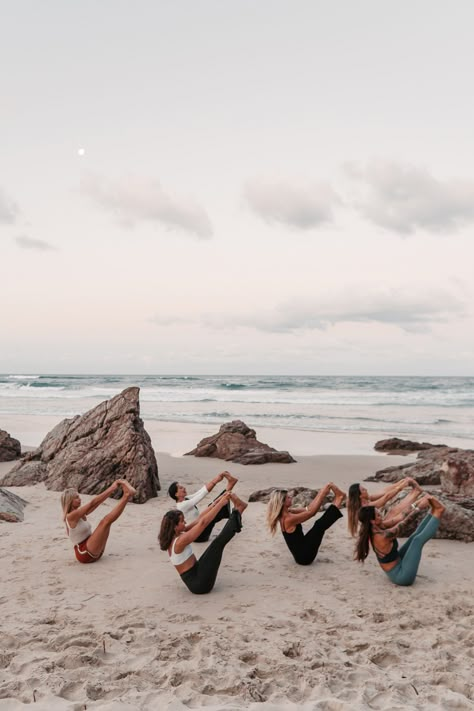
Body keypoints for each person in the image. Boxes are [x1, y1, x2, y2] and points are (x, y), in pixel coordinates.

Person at [159, 491, 248, 594]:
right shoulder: (179, 542)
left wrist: (215, 503)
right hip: (200, 584)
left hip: (198, 573)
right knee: (217, 544)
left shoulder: (175, 535)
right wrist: (220, 504)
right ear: (175, 526)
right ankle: (239, 510)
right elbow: (203, 523)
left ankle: (238, 510)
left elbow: (199, 519)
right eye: (182, 521)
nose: (185, 522)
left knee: (215, 544)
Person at [355, 494, 445, 586]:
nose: (381, 515)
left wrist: (417, 503)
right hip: (402, 577)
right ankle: (439, 511)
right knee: (417, 541)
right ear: (372, 521)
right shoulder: (382, 536)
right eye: (378, 515)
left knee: (413, 537)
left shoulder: (376, 527)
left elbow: (401, 516)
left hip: (397, 563)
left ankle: (433, 512)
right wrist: (419, 508)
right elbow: (405, 523)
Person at [267, 483, 346, 566]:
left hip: (301, 552)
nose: (291, 498)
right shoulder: (288, 519)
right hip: (305, 557)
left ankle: (339, 498)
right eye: (288, 497)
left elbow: (308, 509)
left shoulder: (287, 513)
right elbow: (311, 513)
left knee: (318, 525)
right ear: (282, 502)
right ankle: (339, 499)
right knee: (319, 525)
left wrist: (321, 492)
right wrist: (323, 493)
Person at [61, 479, 136, 564]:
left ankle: (126, 495)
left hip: (94, 550)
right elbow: (92, 502)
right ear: (70, 501)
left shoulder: (80, 513)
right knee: (105, 521)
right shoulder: (71, 516)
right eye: (76, 498)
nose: (80, 499)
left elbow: (96, 503)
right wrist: (112, 487)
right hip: (84, 553)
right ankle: (126, 496)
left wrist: (111, 490)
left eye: (79, 496)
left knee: (107, 523)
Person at [168, 470, 238, 542]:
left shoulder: (186, 499)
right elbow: (201, 496)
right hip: (197, 536)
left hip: (200, 526)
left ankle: (230, 485)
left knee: (213, 506)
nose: (184, 488)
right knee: (214, 508)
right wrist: (217, 480)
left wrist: (217, 478)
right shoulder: (182, 505)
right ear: (176, 494)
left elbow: (201, 491)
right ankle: (230, 486)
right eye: (180, 488)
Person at [347, 478, 423, 537]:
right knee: (395, 513)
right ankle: (416, 493)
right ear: (360, 496)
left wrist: (401, 482)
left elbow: (384, 491)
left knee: (392, 512)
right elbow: (385, 498)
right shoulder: (365, 507)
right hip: (376, 530)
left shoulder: (364, 500)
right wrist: (400, 487)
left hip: (375, 526)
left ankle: (416, 493)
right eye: (363, 490)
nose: (366, 490)